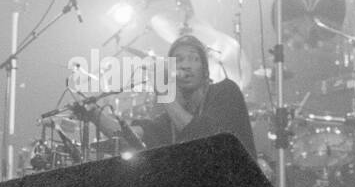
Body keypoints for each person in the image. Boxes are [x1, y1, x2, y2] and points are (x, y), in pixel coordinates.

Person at [96, 35, 256, 158]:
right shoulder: (171, 120)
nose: (185, 65)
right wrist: (93, 113)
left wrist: (164, 92)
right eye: (178, 60)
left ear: (205, 71)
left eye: (193, 59)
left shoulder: (226, 91)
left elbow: (203, 137)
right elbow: (127, 136)